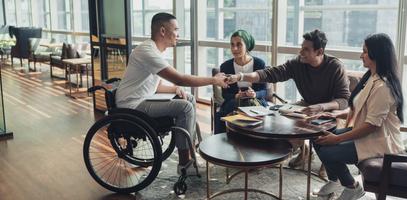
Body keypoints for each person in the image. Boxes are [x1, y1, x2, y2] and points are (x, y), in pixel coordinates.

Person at [115, 12, 228, 174]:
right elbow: (180, 78)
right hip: (131, 105)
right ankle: (184, 163)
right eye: (176, 29)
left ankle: (190, 148)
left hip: (141, 99)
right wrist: (213, 80)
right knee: (185, 108)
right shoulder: (147, 51)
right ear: (162, 31)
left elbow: (155, 86)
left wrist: (175, 89)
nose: (178, 34)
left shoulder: (154, 50)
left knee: (188, 97)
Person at [226, 29, 350, 168]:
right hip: (306, 104)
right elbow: (270, 74)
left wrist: (321, 107)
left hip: (331, 109)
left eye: (306, 49)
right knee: (278, 118)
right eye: (301, 48)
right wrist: (241, 76)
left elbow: (344, 100)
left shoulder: (335, 67)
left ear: (319, 52)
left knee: (322, 136)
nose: (300, 52)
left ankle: (328, 166)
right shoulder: (298, 63)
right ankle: (299, 152)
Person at [312, 33, 404, 200]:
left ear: (377, 54)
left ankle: (352, 186)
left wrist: (337, 139)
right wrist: (339, 113)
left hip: (378, 141)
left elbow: (372, 126)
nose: (361, 55)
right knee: (317, 137)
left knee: (327, 151)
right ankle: (335, 181)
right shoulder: (371, 77)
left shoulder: (383, 86)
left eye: (365, 51)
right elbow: (363, 108)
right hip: (367, 133)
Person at [214, 30, 268, 134]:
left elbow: (264, 91)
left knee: (250, 106)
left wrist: (255, 94)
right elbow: (225, 94)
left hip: (256, 101)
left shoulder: (259, 63)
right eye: (232, 45)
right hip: (234, 102)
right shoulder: (226, 66)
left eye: (239, 45)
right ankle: (221, 146)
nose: (234, 48)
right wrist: (236, 96)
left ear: (247, 46)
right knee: (221, 116)